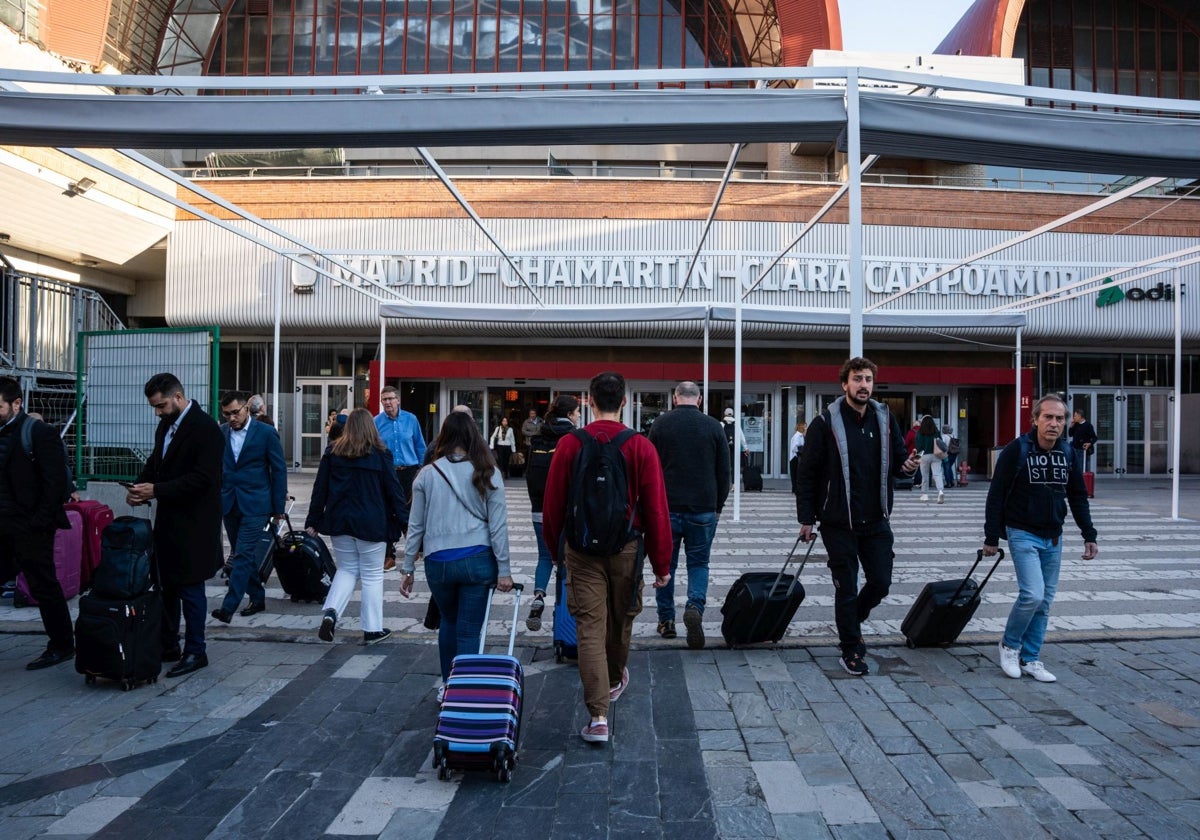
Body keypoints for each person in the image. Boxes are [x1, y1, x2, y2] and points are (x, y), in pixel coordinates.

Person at [542, 371, 672, 744]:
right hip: (626, 549)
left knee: (588, 629)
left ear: (589, 401)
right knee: (621, 620)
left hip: (581, 553)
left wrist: (555, 552)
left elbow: (553, 505)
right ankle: (614, 679)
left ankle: (598, 717)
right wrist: (662, 564)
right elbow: (657, 509)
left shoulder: (570, 444)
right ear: (626, 402)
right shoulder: (640, 446)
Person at [794, 358, 919, 677]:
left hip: (877, 520)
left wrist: (908, 468)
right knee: (846, 588)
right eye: (857, 379)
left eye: (868, 379)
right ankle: (852, 648)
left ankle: (853, 618)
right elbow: (807, 473)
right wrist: (806, 518)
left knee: (881, 582)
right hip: (838, 522)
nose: (864, 385)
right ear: (844, 384)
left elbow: (898, 462)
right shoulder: (825, 422)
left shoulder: (884, 418)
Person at [985, 395, 1098, 683]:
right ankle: (1010, 645)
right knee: (1032, 594)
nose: (1054, 423)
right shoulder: (1018, 450)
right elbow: (996, 492)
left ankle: (1031, 657)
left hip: (1054, 538)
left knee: (1045, 601)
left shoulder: (1068, 453)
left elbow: (1077, 496)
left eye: (1060, 418)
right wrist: (991, 536)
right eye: (1048, 417)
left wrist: (1089, 534)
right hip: (1022, 531)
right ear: (1035, 419)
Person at [400, 412, 513, 694]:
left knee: (448, 622)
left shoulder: (427, 473)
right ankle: (467, 688)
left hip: (439, 562)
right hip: (477, 561)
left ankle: (448, 685)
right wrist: (505, 570)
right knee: (469, 629)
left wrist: (407, 567)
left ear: (444, 437)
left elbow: (415, 525)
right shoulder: (488, 472)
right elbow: (498, 528)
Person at [126, 373, 224, 678]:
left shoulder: (206, 429)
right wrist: (140, 487)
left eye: (162, 405)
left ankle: (196, 650)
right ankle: (169, 644)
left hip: (195, 523)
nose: (158, 411)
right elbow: (158, 461)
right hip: (169, 521)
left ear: (179, 397)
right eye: (155, 407)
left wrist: (156, 490)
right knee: (166, 585)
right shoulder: (166, 424)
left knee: (191, 589)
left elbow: (203, 479)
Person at [307, 408, 408, 645]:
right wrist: (405, 524)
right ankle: (372, 630)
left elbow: (319, 489)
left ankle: (332, 611)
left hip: (339, 521)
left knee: (346, 570)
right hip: (372, 523)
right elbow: (395, 492)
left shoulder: (333, 452)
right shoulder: (381, 454)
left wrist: (313, 521)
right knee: (372, 576)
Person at [648, 380, 730, 649]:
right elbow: (724, 473)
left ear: (674, 398)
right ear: (700, 399)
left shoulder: (660, 425)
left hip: (667, 508)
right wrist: (717, 506)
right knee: (699, 564)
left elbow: (650, 468)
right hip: (703, 508)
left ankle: (666, 620)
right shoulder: (713, 427)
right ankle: (694, 606)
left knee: (665, 566)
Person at [0, 377, 75, 670]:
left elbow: (55, 483)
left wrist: (38, 523)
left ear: (16, 404)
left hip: (29, 527)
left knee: (43, 586)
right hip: (2, 526)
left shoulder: (40, 433)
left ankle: (62, 644)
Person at [211, 391, 288, 623]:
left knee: (242, 555)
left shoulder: (265, 433)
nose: (231, 418)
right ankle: (257, 596)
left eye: (235, 412)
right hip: (230, 503)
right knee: (243, 554)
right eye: (226, 414)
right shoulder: (221, 433)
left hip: (257, 504)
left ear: (246, 408)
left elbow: (279, 470)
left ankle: (228, 607)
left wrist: (278, 508)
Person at [523, 395, 581, 631]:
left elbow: (529, 474)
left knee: (545, 557)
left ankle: (538, 596)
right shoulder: (573, 438)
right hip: (566, 512)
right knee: (567, 561)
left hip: (540, 510)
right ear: (569, 415)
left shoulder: (538, 437)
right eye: (577, 412)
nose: (578, 416)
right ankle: (564, 612)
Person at [375, 385, 426, 560]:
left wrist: (422, 468)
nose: (387, 402)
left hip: (409, 473)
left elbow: (420, 445)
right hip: (387, 473)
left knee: (412, 510)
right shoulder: (376, 422)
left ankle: (415, 548)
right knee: (387, 511)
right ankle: (389, 552)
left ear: (398, 400)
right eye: (384, 399)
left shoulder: (411, 419)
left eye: (390, 398)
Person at [913, 415, 946, 504]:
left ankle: (924, 495)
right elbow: (941, 444)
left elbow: (918, 446)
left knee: (925, 475)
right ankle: (940, 491)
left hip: (924, 456)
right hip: (936, 455)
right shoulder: (936, 432)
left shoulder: (919, 433)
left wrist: (917, 458)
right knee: (937, 474)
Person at [788, 421, 807, 493]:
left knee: (795, 474)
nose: (806, 428)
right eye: (805, 426)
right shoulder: (797, 436)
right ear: (801, 427)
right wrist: (801, 451)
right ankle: (795, 489)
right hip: (795, 458)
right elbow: (794, 448)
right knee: (795, 474)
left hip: (796, 457)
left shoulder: (801, 436)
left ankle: (795, 488)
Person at [940, 424, 958, 490]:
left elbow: (942, 445)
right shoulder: (954, 436)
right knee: (949, 467)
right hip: (954, 454)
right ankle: (952, 481)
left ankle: (948, 483)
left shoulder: (944, 436)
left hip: (947, 454)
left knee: (946, 468)